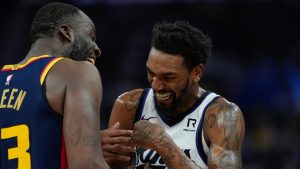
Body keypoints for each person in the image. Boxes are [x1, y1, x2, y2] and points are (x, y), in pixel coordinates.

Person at [104, 21, 245, 169]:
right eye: (151, 73)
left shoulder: (222, 116)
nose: (156, 85)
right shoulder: (129, 106)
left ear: (196, 73)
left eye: (168, 77)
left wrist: (163, 143)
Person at [0, 2, 109, 169]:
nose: (97, 49)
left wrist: (94, 143)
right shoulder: (77, 73)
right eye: (91, 37)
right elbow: (88, 165)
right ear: (67, 33)